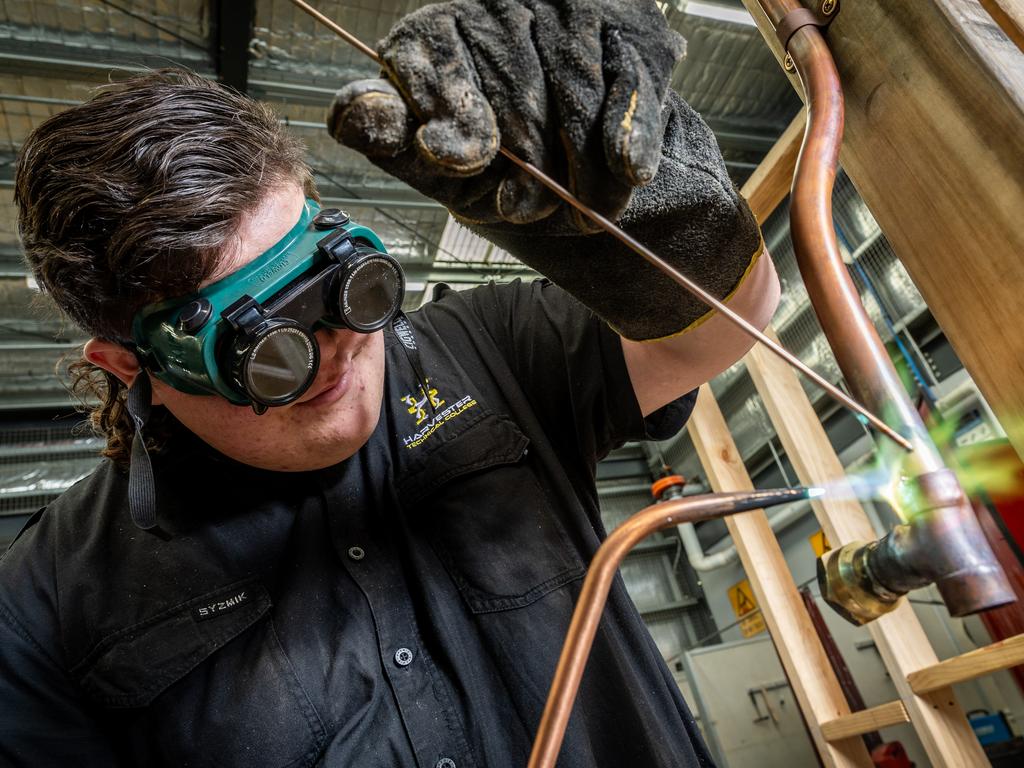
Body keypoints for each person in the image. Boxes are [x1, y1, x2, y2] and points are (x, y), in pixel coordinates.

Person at [0, 1, 779, 766]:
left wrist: (656, 205)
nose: (336, 348)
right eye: (267, 352)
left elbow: (723, 327)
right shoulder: (46, 606)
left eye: (346, 288)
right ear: (132, 366)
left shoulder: (483, 349)